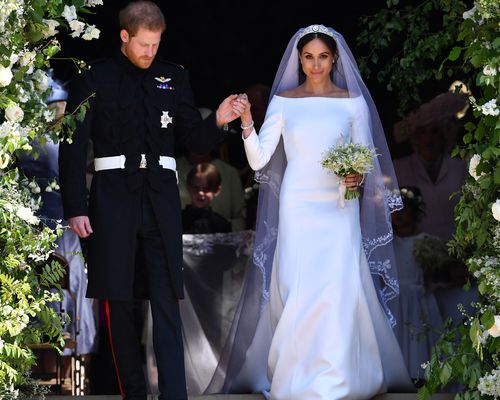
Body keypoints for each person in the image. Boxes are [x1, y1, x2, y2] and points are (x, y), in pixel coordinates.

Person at [203, 24, 413, 398]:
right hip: (298, 205)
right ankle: (297, 377)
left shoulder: (353, 103)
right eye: (308, 57)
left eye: (322, 57)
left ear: (333, 59)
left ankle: (338, 380)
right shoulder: (284, 102)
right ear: (299, 60)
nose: (315, 65)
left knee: (336, 288)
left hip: (337, 207)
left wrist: (356, 179)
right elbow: (259, 161)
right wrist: (249, 122)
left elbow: (367, 157)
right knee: (295, 286)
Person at [58, 2, 244, 399]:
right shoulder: (94, 77)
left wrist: (218, 121)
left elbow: (193, 140)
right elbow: (72, 146)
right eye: (143, 44)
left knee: (166, 302)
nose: (149, 52)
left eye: (155, 44)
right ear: (124, 36)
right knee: (120, 304)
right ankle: (134, 395)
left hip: (160, 202)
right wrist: (75, 206)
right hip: (111, 202)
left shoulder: (173, 77)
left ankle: (174, 395)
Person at [392, 89, 469, 241]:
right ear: (414, 137)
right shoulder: (399, 168)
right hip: (414, 251)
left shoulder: (459, 168)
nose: (428, 138)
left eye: (434, 132)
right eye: (422, 132)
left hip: (457, 251)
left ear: (443, 135)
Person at [390, 186, 444, 381]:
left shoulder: (426, 242)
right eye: (395, 209)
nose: (399, 214)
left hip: (417, 301)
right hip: (395, 301)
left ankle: (419, 376)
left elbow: (440, 275)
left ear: (416, 212)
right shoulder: (387, 243)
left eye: (404, 209)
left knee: (417, 340)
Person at [182, 162, 231, 234]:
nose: (200, 193)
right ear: (188, 187)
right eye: (196, 188)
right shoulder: (177, 220)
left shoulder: (221, 224)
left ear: (217, 190)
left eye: (206, 189)